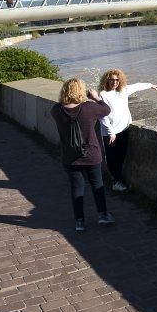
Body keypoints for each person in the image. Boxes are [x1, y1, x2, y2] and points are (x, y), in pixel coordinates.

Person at [50, 78, 115, 231]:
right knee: (97, 185)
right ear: (81, 91)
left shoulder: (56, 110)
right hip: (91, 154)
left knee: (76, 188)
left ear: (64, 91)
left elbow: (66, 110)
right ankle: (103, 215)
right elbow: (106, 110)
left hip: (70, 156)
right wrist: (96, 97)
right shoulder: (89, 108)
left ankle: (79, 222)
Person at [98, 69, 157, 192]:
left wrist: (151, 85)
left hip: (124, 129)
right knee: (111, 157)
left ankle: (117, 180)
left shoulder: (123, 90)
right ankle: (116, 181)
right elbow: (102, 116)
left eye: (117, 80)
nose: (114, 82)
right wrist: (111, 133)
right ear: (107, 80)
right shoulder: (103, 95)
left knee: (121, 156)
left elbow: (137, 86)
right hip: (111, 133)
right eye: (112, 80)